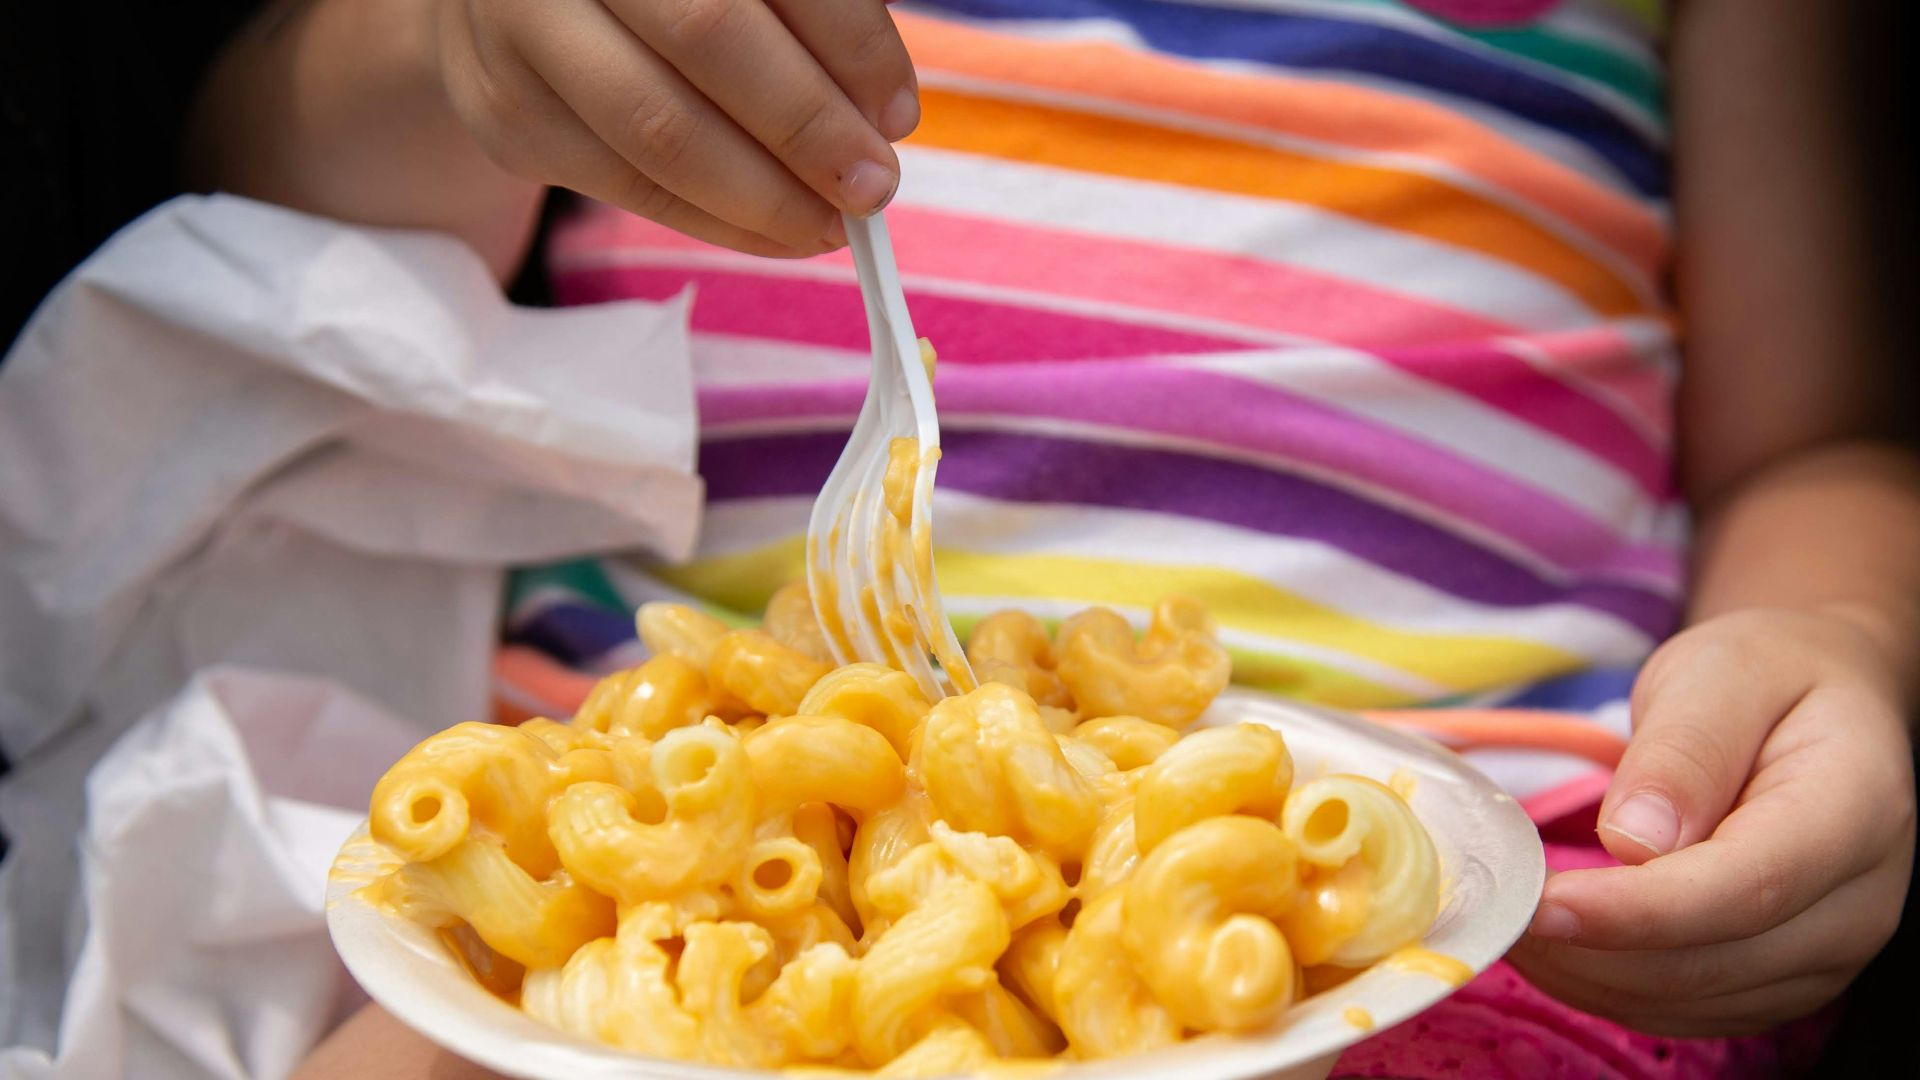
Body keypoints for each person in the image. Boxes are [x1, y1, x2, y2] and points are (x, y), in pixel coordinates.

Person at [165, 0, 1920, 1076]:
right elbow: (275, 234)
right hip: (655, 895)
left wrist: (1841, 642)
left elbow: (1819, 435)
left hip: (1451, 904)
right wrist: (451, 46)